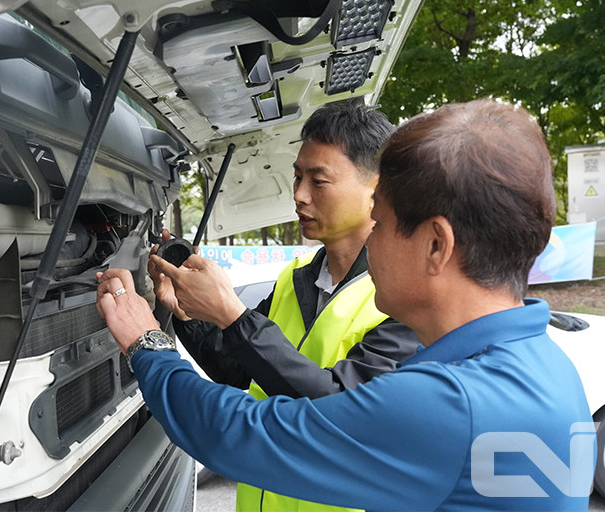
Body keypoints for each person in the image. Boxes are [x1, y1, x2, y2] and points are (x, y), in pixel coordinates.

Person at [97, 99, 594, 511]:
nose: (371, 242)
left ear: (436, 244)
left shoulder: (448, 404)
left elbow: (239, 431)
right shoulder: (547, 371)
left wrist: (148, 344)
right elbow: (244, 374)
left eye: (381, 221)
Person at [151, 101, 420, 511]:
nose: (298, 195)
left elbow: (338, 409)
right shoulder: (292, 280)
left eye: (319, 180)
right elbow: (241, 374)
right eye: (297, 176)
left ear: (376, 188)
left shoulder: (406, 301)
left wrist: (231, 315)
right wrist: (187, 314)